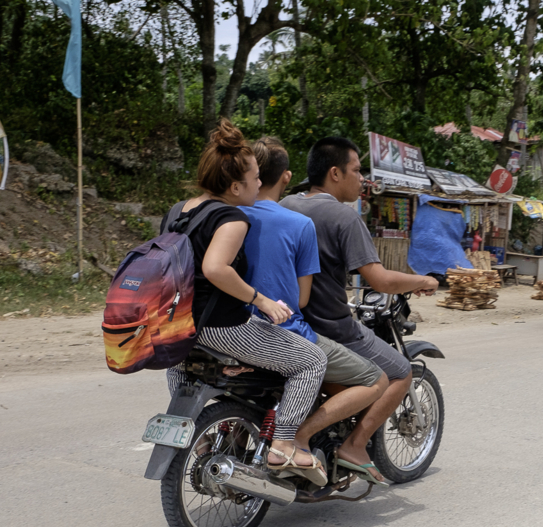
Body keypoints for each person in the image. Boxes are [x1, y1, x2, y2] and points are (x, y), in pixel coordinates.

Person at [165, 120, 328, 486]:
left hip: (178, 324)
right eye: (254, 178)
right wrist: (263, 301)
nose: (259, 184)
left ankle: (197, 434)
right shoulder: (231, 217)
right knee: (312, 360)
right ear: (235, 185)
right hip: (222, 326)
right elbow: (215, 268)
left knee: (180, 366)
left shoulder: (178, 210)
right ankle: (284, 444)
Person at [280, 137, 438, 483]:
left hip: (284, 322)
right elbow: (379, 280)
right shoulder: (343, 217)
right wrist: (421, 280)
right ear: (335, 173)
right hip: (330, 327)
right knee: (399, 372)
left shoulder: (286, 203)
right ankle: (354, 444)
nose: (362, 178)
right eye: (356, 170)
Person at [240, 137, 388, 479]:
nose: (362, 177)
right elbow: (300, 300)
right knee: (376, 379)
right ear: (285, 177)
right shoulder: (300, 223)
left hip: (228, 324)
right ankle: (294, 440)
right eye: (357, 170)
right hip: (282, 329)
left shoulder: (227, 213)